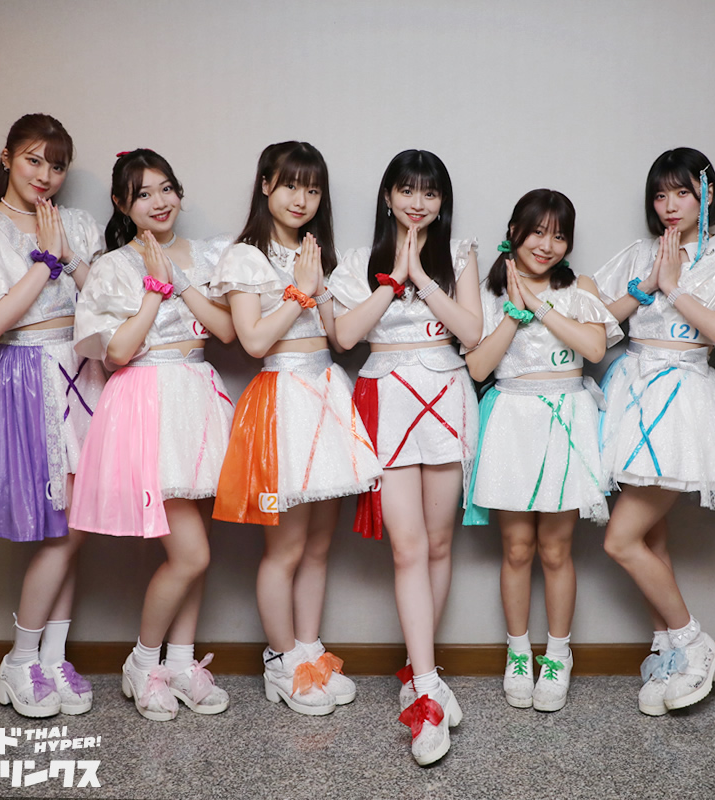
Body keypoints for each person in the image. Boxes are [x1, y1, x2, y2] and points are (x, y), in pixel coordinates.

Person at [0, 114, 104, 718]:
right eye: (34, 160)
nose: (46, 175)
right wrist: (46, 261)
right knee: (58, 529)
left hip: (83, 372)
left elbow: (103, 301)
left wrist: (71, 257)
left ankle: (51, 658)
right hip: (25, 377)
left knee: (75, 525)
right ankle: (19, 661)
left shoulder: (78, 224)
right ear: (7, 157)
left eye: (56, 165)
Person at [211, 142, 381, 717]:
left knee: (318, 545)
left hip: (326, 393)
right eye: (290, 185)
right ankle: (281, 662)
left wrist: (328, 285)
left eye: (312, 189)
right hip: (281, 398)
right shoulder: (244, 257)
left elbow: (337, 338)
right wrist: (300, 290)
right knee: (284, 548)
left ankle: (309, 651)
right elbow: (254, 341)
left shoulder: (314, 252)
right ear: (265, 186)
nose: (301, 199)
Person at [70, 149, 237, 721]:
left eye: (167, 188)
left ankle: (182, 663)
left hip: (198, 398)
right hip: (146, 403)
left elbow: (227, 331)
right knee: (191, 554)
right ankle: (143, 663)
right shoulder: (114, 267)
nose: (160, 201)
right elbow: (116, 353)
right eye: (143, 194)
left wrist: (181, 283)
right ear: (123, 204)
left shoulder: (208, 255)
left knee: (199, 552)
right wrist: (152, 291)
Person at [593, 148, 715, 715]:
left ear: (706, 195)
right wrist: (645, 284)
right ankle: (667, 650)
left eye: (682, 192)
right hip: (631, 391)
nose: (670, 205)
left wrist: (674, 286)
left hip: (684, 396)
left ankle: (695, 645)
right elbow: (596, 320)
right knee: (652, 538)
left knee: (621, 539)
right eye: (661, 194)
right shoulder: (639, 252)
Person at [329, 149, 481, 765]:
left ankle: (425, 674)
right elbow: (345, 336)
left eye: (430, 192)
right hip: (386, 402)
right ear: (388, 196)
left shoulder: (460, 253)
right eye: (407, 190)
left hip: (446, 399)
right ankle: (425, 691)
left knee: (439, 546)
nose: (418, 202)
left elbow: (471, 332)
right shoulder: (356, 261)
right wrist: (394, 277)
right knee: (407, 548)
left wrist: (422, 275)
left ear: (443, 202)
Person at [464, 189, 621, 716]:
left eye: (558, 235)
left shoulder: (579, 288)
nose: (547, 245)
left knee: (556, 550)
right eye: (537, 232)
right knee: (516, 549)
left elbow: (594, 348)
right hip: (511, 419)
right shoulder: (486, 294)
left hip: (567, 419)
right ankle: (517, 653)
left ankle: (557, 655)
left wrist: (539, 305)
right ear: (514, 231)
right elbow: (479, 368)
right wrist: (514, 311)